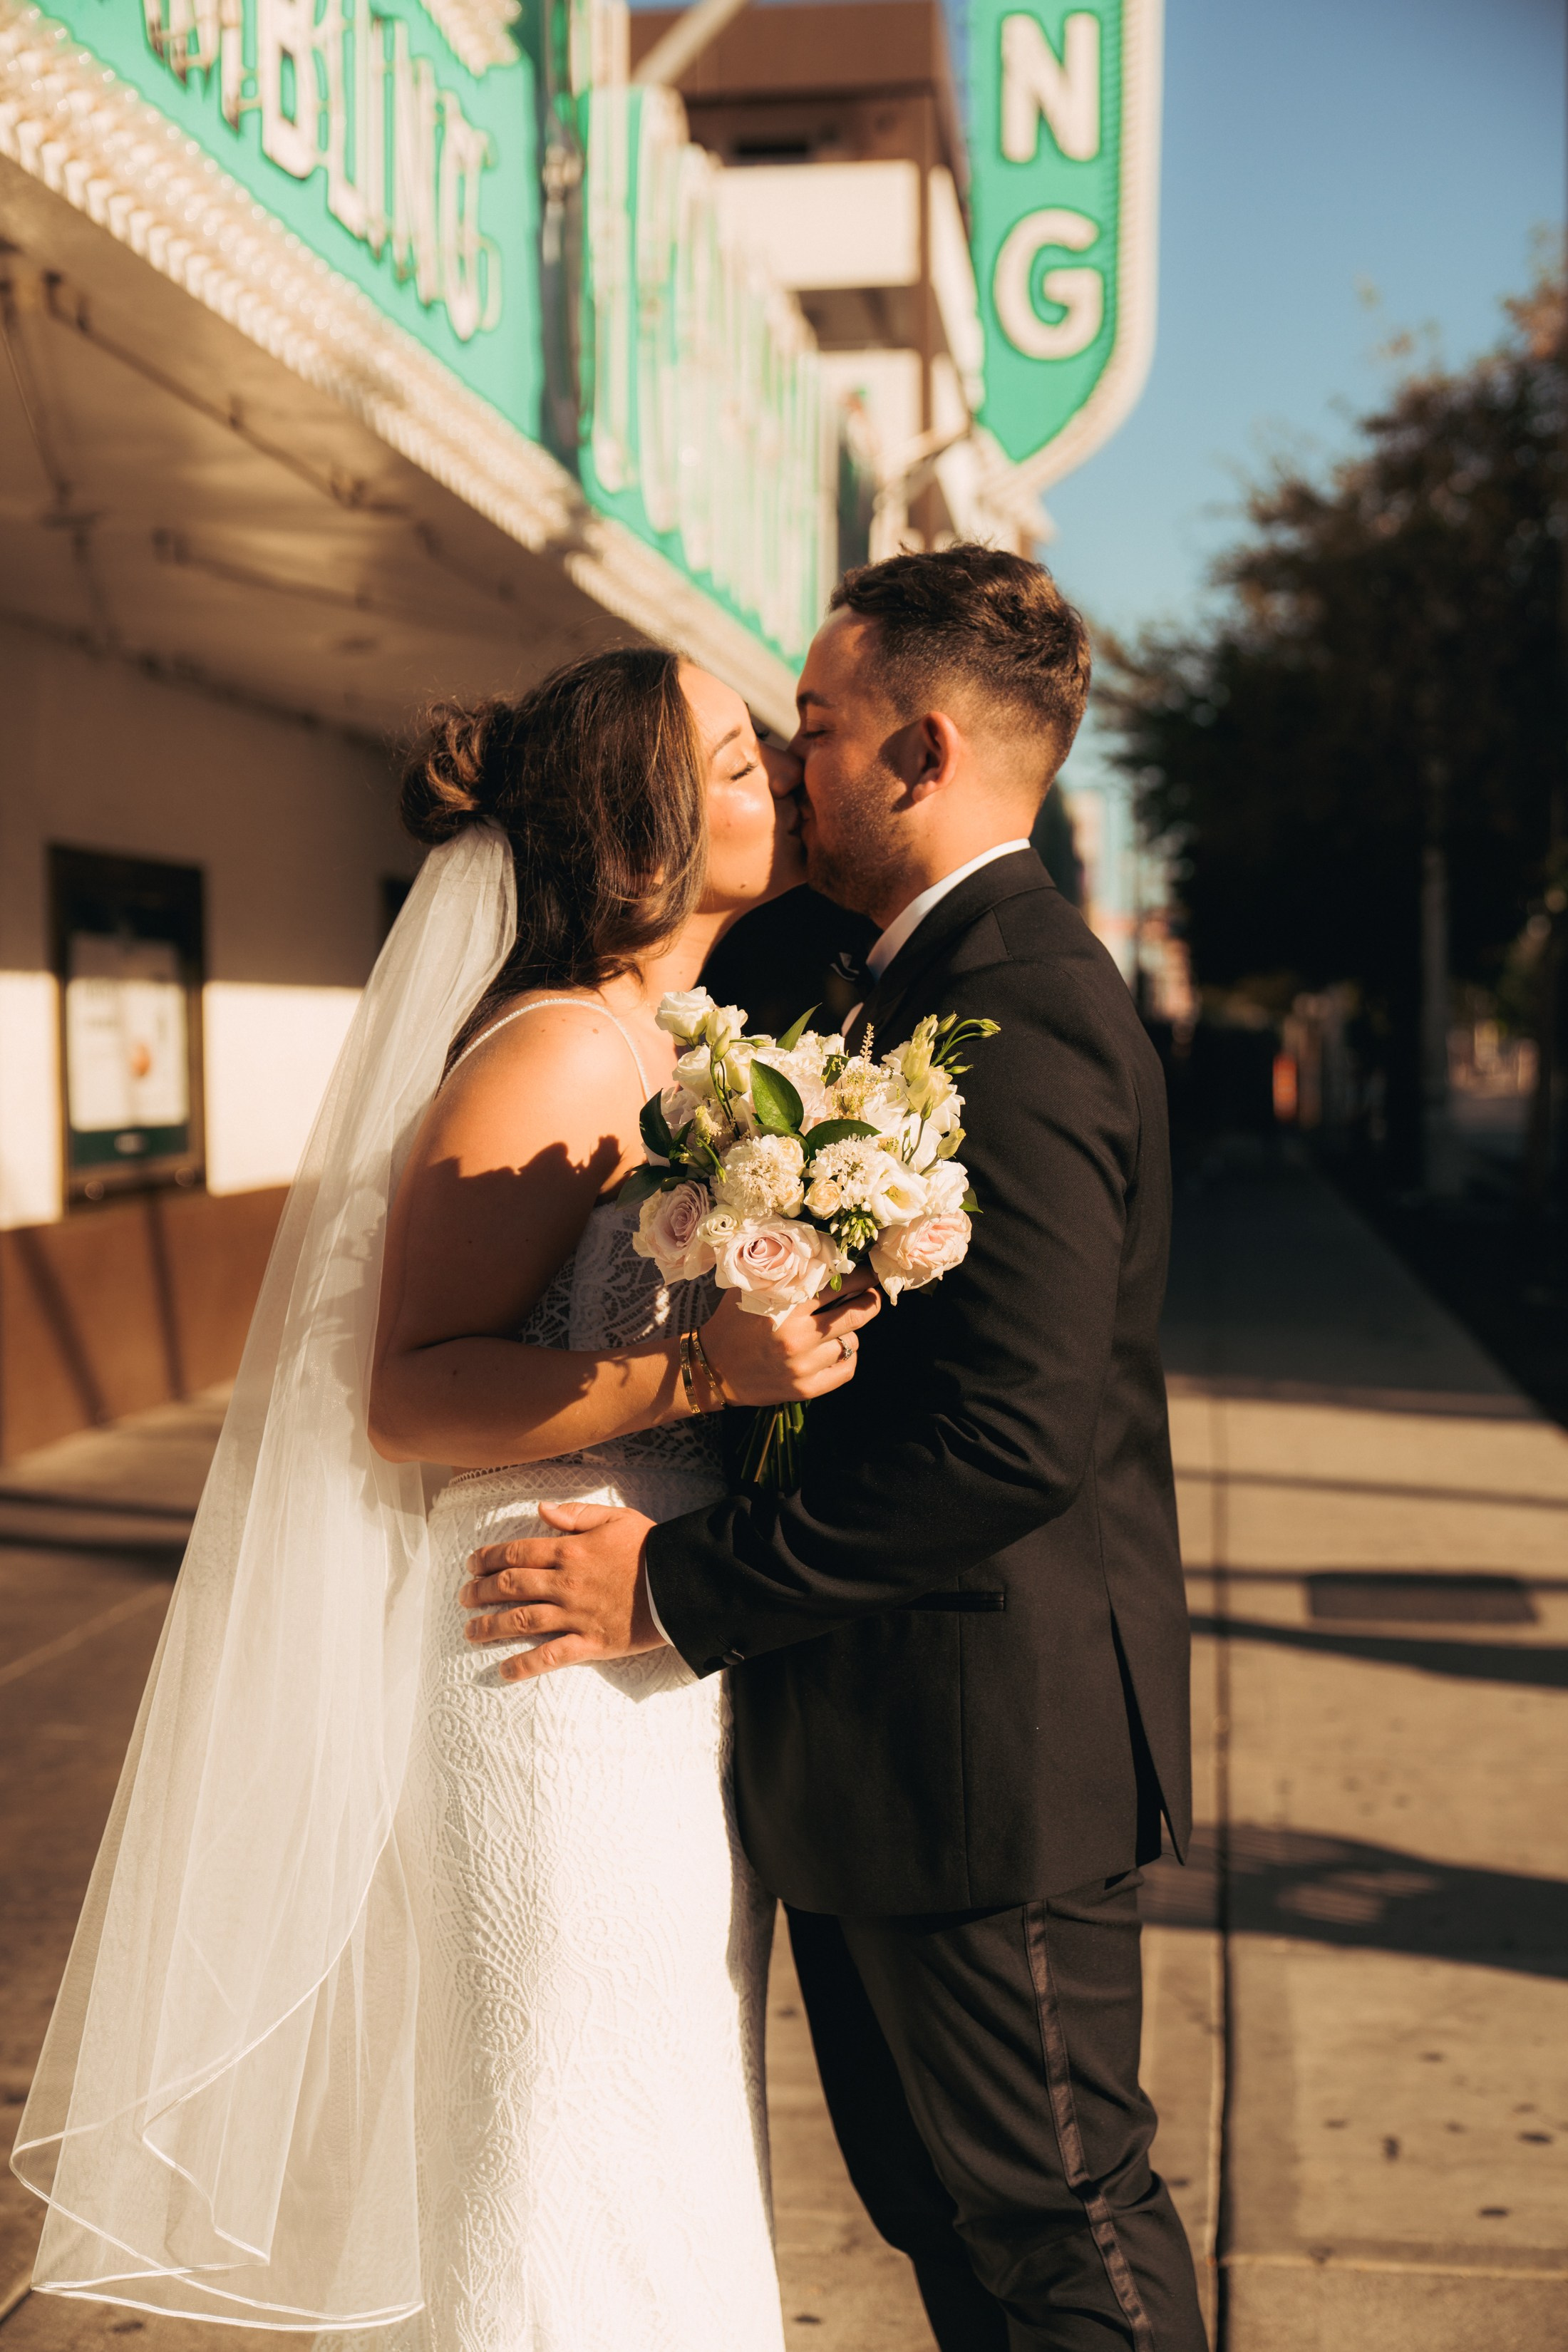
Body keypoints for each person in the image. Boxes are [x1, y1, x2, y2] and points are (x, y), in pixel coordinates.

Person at [13, 647, 880, 2352]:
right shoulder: (549, 1058)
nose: (766, 774)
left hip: (651, 1656)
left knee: (655, 2129)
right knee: (557, 2145)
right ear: (629, 823)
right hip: (543, 1666)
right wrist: (701, 1374)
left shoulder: (675, 1043)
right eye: (720, 760)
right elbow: (406, 1387)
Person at [461, 548, 1209, 2351]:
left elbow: (1009, 1437)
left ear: (918, 752)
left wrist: (676, 1592)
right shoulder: (869, 971)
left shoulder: (1020, 1011)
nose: (791, 767)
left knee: (1055, 2227)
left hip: (986, 1754)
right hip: (879, 1742)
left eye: (811, 728)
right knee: (946, 2223)